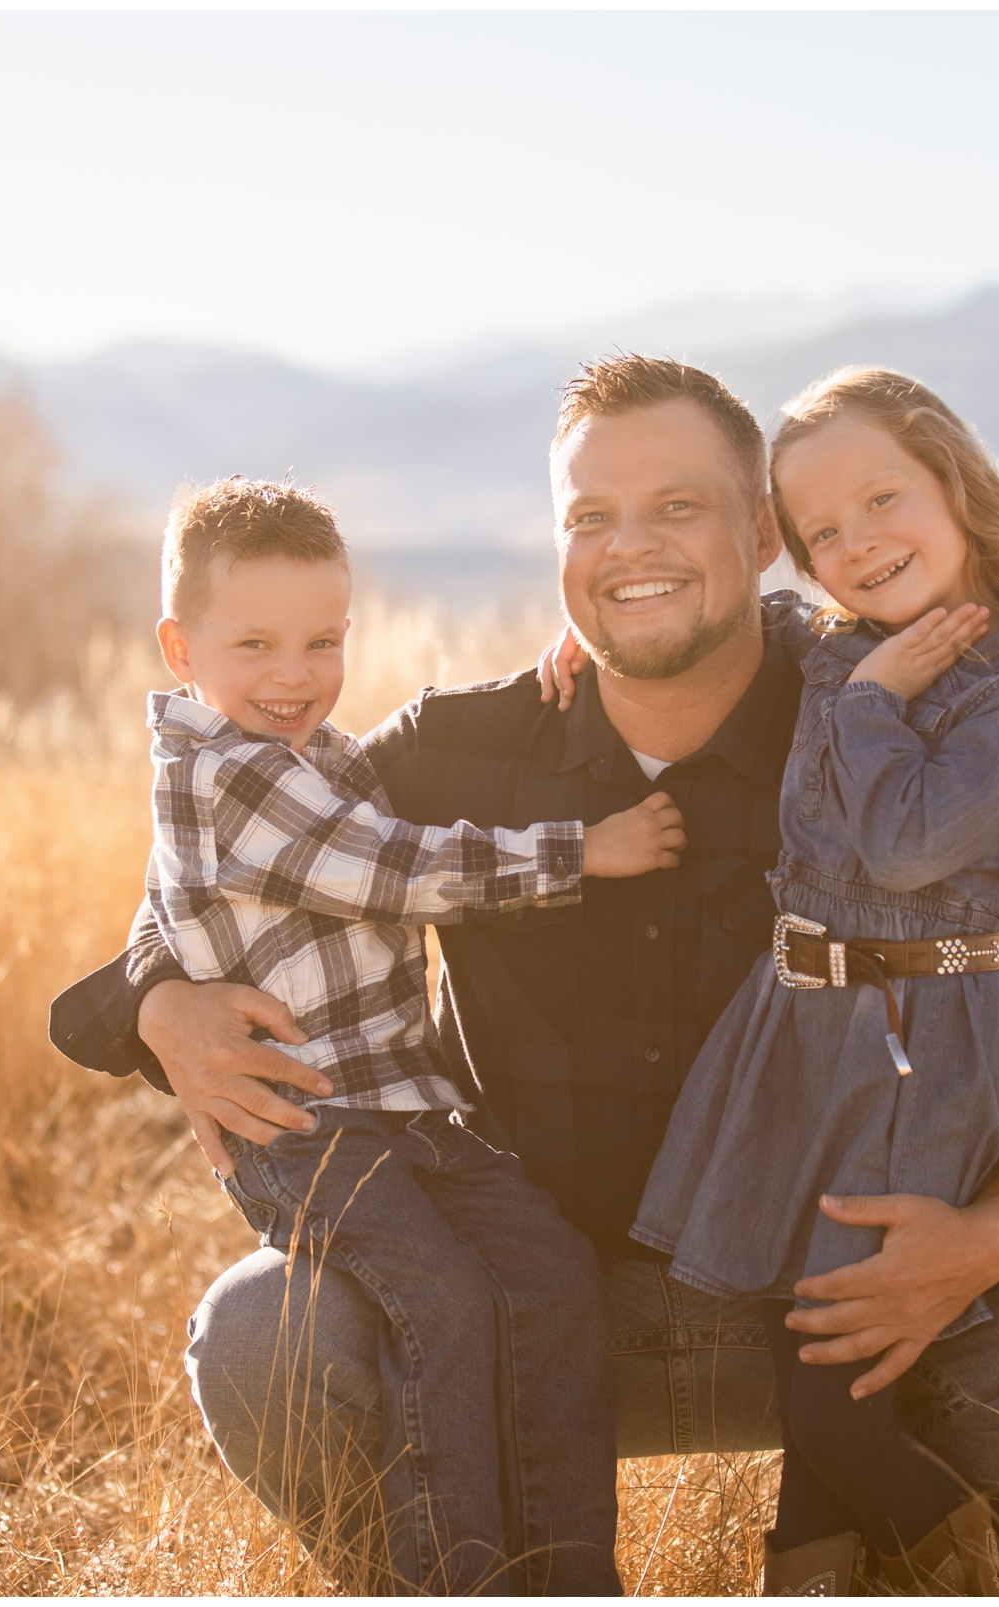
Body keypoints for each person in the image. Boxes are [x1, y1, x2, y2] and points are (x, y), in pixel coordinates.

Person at [50, 356, 999, 1595]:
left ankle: (875, 1570)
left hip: (834, 1316)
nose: (629, 547)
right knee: (266, 1335)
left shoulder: (874, 731)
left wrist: (993, 1229)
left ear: (762, 534)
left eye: (678, 508)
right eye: (591, 516)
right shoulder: (460, 749)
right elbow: (257, 853)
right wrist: (158, 1001)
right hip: (524, 1314)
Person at [134, 476, 688, 1593]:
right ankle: (458, 1579)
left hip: (411, 1111)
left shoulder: (319, 756)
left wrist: (569, 668)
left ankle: (568, 1578)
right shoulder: (222, 775)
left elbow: (412, 773)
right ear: (180, 648)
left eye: (323, 640)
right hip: (308, 1122)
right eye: (256, 644)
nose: (294, 675)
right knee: (439, 1298)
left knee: (547, 1274)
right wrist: (585, 848)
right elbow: (399, 864)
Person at [624, 365, 999, 1593]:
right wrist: (586, 643)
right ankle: (811, 1577)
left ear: (958, 481)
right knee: (808, 1366)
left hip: (907, 1042)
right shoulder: (842, 643)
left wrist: (879, 703)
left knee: (838, 1384)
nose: (857, 543)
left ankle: (962, 1567)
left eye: (882, 497)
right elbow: (690, 618)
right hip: (797, 1037)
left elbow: (903, 844)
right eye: (823, 531)